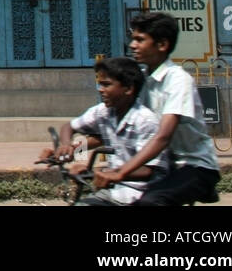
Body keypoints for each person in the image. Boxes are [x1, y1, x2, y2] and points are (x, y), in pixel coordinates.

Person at [93, 12, 221, 205]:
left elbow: (163, 136)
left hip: (192, 166)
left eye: (140, 40)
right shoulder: (140, 80)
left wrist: (121, 172)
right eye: (132, 39)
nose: (132, 45)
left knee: (149, 203)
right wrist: (74, 150)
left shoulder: (178, 80)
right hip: (159, 165)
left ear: (162, 45)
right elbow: (109, 128)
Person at [39, 56, 169, 205]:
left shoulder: (145, 121)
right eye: (99, 84)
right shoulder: (103, 112)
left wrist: (97, 173)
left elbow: (148, 171)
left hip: (142, 194)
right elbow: (69, 127)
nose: (101, 90)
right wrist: (66, 146)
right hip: (113, 192)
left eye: (106, 85)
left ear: (128, 88)